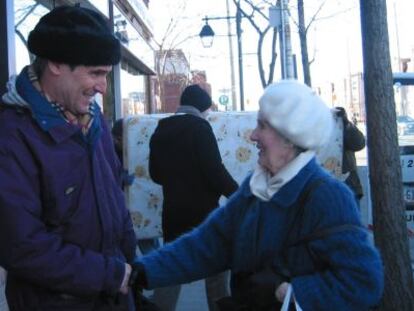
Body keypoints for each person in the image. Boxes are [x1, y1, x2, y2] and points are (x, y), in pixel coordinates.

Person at [130, 80, 384, 310]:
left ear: (289, 137)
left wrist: (290, 292)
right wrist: (139, 272)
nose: (253, 135)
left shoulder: (328, 196)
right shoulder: (256, 187)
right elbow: (206, 245)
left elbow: (364, 282)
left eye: (262, 126)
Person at [0, 6, 137, 310]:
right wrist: (110, 274)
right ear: (57, 64)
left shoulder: (94, 122)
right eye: (95, 73)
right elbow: (20, 245)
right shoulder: (12, 137)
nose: (103, 87)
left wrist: (133, 265)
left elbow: (114, 197)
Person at [148, 84, 239, 311]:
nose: (208, 113)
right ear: (200, 107)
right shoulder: (200, 128)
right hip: (204, 213)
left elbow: (155, 174)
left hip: (173, 213)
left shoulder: (161, 128)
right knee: (217, 273)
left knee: (171, 271)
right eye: (207, 109)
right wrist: (239, 195)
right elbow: (214, 170)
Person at [111, 119, 160, 255]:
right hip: (123, 209)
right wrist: (121, 180)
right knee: (137, 243)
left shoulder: (135, 150)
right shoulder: (109, 154)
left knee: (149, 239)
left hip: (141, 206)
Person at [336, 107, 366, 205]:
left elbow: (359, 143)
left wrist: (346, 123)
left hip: (349, 185)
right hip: (322, 189)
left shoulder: (339, 123)